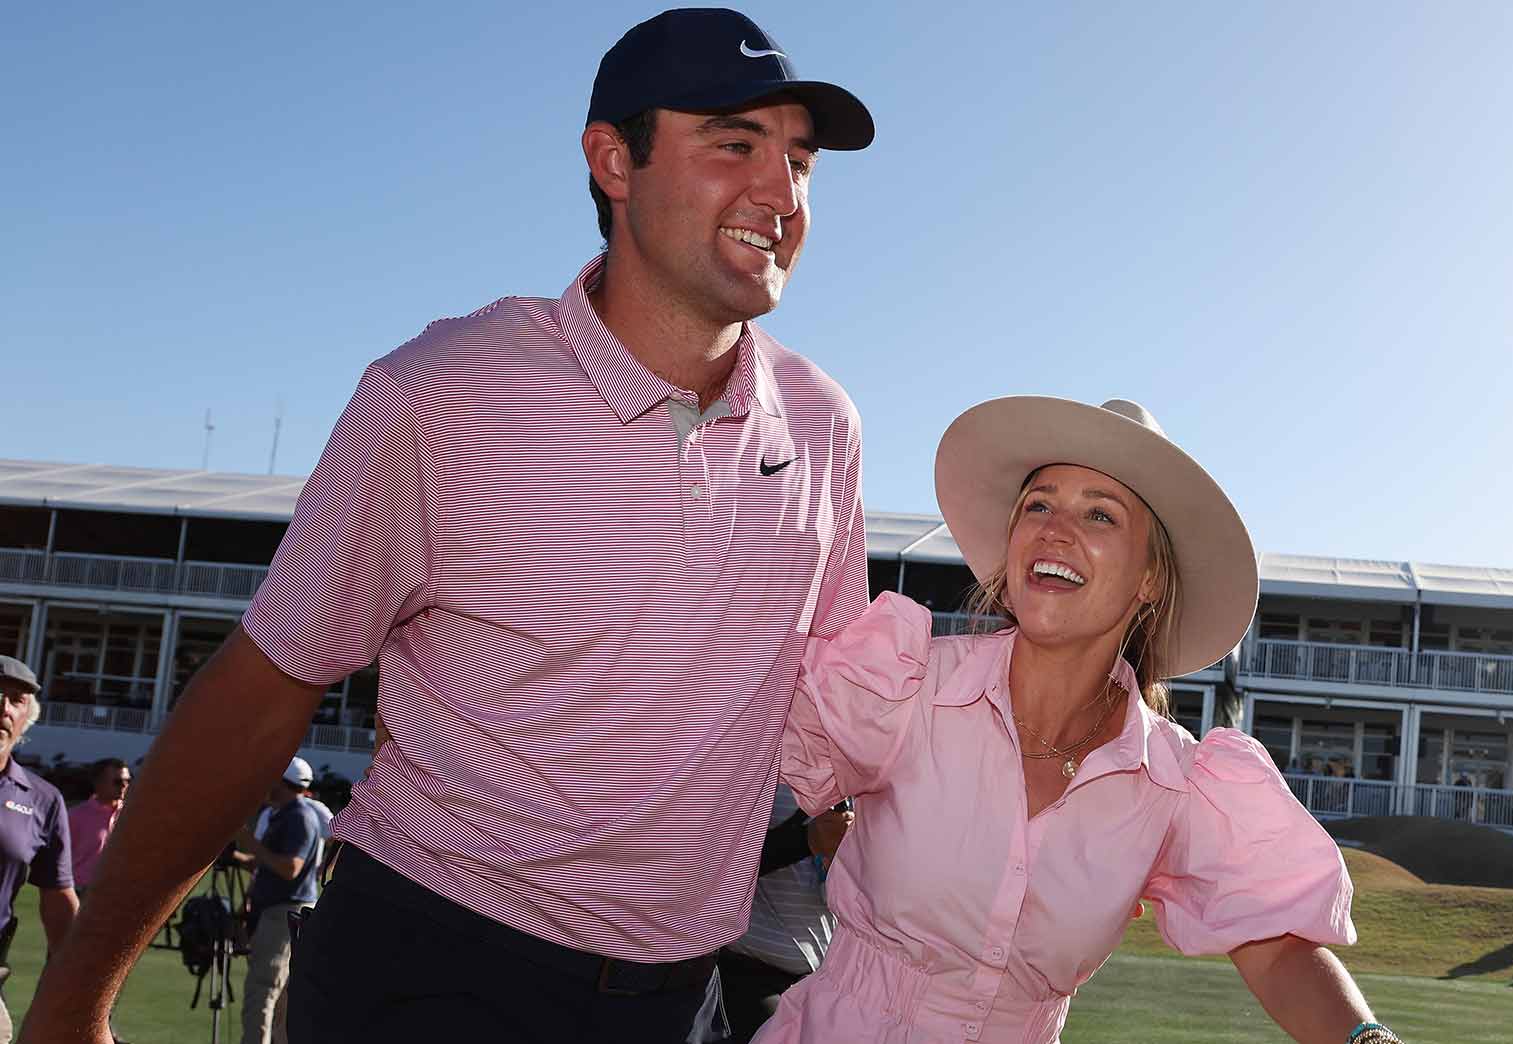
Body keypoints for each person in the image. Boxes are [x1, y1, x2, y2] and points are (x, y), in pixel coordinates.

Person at [24, 10, 875, 1044]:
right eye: (734, 143)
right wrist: (76, 992)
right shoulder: (440, 392)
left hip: (679, 994)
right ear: (613, 159)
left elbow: (847, 714)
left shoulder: (825, 424)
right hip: (431, 966)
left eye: (800, 160)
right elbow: (260, 690)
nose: (781, 194)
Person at [756, 397, 1399, 1044]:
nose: (1055, 529)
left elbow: (1280, 950)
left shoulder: (1176, 786)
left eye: (1099, 513)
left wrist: (1368, 1041)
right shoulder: (904, 685)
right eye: (1038, 504)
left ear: (1149, 579)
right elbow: (730, 763)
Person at [715, 784, 848, 1042]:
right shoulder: (754, 766)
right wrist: (806, 839)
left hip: (821, 982)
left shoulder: (845, 778)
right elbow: (720, 866)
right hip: (750, 977)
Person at [0, 655, 82, 1043]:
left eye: (16, 699)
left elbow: (59, 902)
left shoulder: (43, 801)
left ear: (26, 717)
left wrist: (88, 992)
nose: (3, 707)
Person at [232, 757, 324, 1044]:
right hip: (280, 911)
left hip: (281, 912)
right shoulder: (289, 813)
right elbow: (272, 866)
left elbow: (289, 868)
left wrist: (250, 844)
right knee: (280, 997)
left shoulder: (298, 816)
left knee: (262, 991)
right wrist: (236, 857)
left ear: (282, 782)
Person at [67, 759, 131, 894]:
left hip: (119, 892)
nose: (124, 786)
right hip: (81, 892)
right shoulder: (75, 816)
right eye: (118, 782)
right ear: (98, 783)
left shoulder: (133, 815)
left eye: (127, 781)